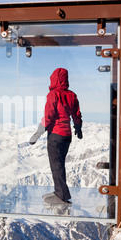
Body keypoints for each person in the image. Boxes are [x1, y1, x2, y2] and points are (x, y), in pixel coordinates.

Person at [29, 67, 83, 206]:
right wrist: (78, 128)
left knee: (56, 166)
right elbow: (76, 114)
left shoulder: (53, 94)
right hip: (67, 135)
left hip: (56, 135)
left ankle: (61, 197)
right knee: (60, 164)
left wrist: (38, 133)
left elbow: (49, 115)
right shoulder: (72, 95)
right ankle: (61, 193)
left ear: (54, 79)